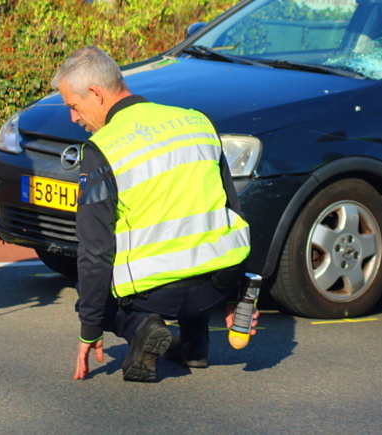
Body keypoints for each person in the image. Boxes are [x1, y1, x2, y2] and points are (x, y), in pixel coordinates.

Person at [52, 46, 254, 382]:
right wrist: (242, 295)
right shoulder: (196, 122)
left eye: (74, 106)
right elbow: (233, 211)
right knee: (193, 252)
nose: (74, 118)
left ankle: (142, 328)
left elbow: (94, 249)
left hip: (157, 296)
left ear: (96, 94)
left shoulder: (104, 148)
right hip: (216, 286)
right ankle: (194, 345)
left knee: (88, 288)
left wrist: (90, 328)